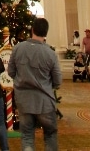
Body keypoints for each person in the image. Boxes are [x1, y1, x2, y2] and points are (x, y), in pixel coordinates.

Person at [8, 18, 62, 151]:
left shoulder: (18, 49)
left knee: (27, 136)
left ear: (32, 30)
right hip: (45, 102)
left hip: (24, 101)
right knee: (50, 135)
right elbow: (57, 81)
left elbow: (10, 72)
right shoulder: (50, 53)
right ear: (46, 33)